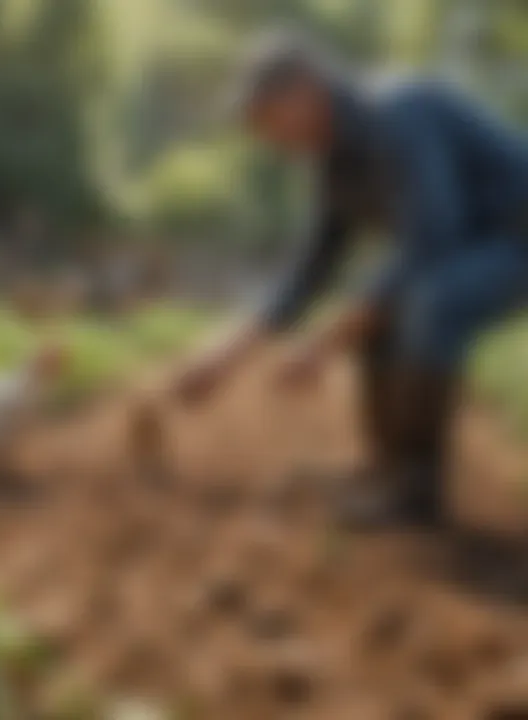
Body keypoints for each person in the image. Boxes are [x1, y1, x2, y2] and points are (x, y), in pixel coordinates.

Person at [173, 31, 528, 529]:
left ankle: (415, 494)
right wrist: (225, 354)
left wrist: (325, 341)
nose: (264, 135)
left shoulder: (402, 112)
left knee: (428, 300)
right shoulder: (332, 165)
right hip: (468, 247)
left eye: (266, 115)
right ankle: (389, 472)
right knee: (381, 306)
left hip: (515, 236)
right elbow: (311, 268)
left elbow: (433, 240)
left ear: (305, 92)